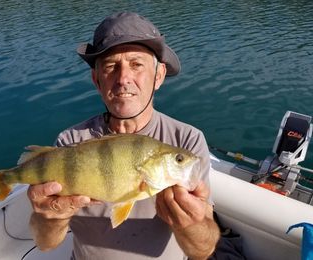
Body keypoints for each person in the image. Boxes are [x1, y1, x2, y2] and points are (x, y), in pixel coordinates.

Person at [27, 12, 220, 260]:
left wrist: (191, 225)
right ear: (97, 80)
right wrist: (50, 217)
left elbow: (202, 251)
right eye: (110, 67)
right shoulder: (71, 143)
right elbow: (45, 244)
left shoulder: (186, 141)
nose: (123, 79)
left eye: (136, 64)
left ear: (158, 76)